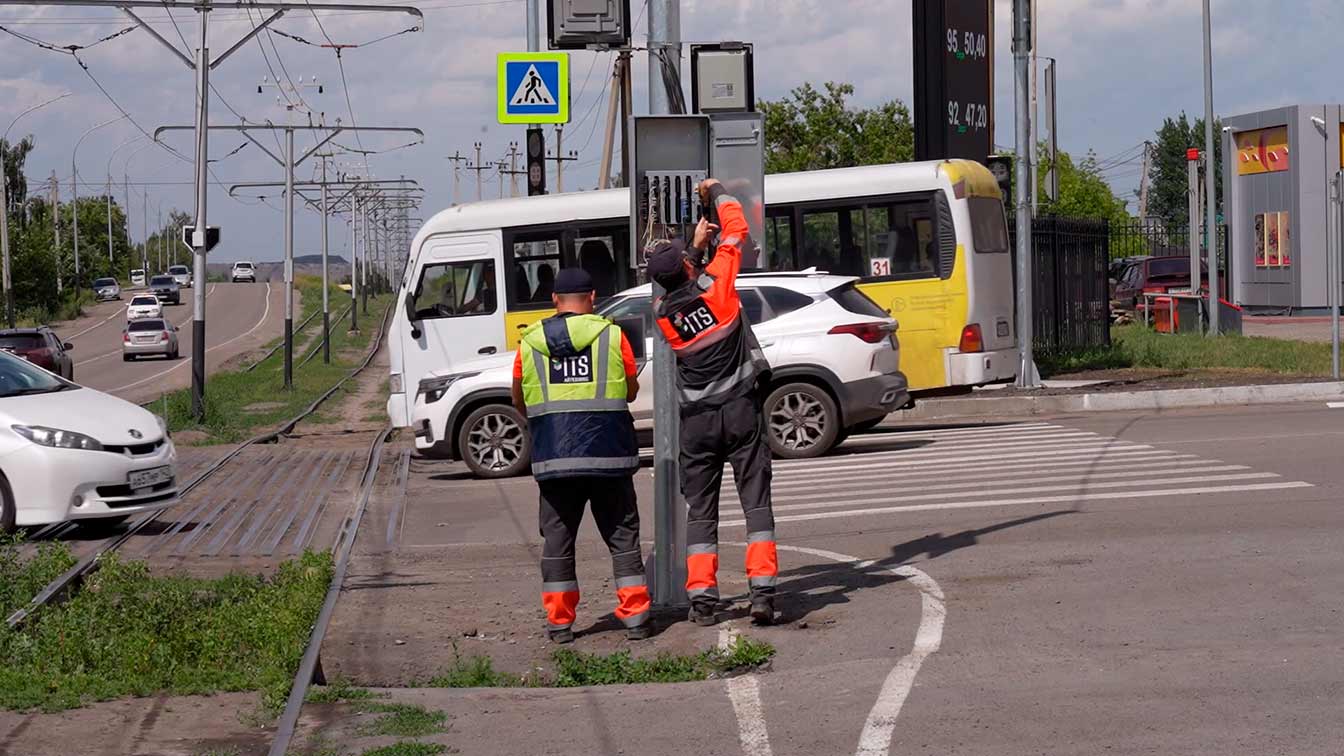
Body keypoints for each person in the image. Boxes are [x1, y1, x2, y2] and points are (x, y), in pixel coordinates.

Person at [643, 178, 778, 627]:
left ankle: (702, 600)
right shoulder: (719, 286)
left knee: (701, 512)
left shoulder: (663, 315)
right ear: (686, 264)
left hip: (696, 425)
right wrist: (717, 191)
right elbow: (736, 229)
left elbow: (681, 289)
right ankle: (762, 592)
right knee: (755, 504)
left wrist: (692, 253)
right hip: (740, 412)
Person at [511, 267, 651, 644]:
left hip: (554, 461)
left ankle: (560, 624)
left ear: (554, 300)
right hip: (609, 457)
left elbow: (519, 400)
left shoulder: (529, 343)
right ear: (592, 298)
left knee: (558, 542)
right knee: (622, 537)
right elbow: (632, 391)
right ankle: (636, 617)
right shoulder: (612, 336)